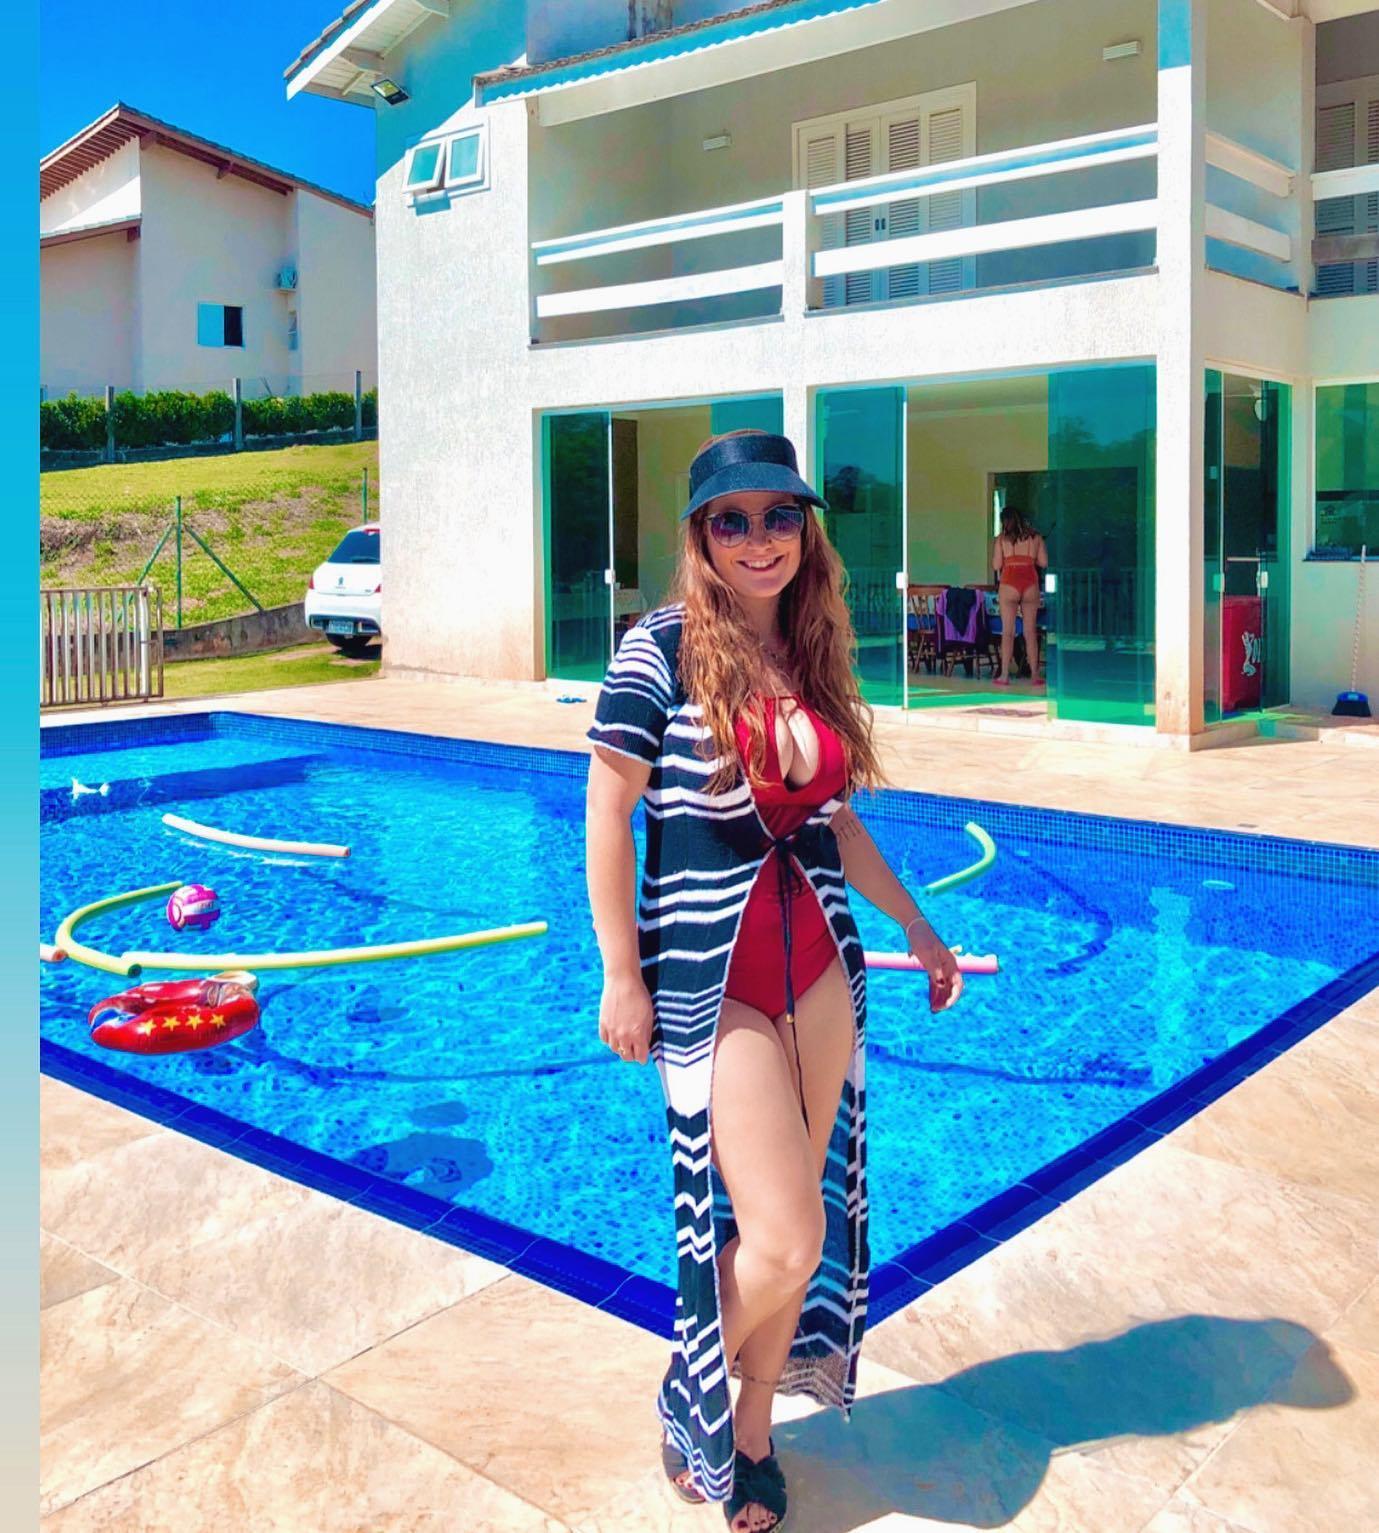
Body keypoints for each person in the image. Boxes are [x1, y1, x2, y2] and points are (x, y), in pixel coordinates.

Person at [584, 429, 963, 1532]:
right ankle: (688, 1380)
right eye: (733, 519)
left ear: (806, 530)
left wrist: (919, 930)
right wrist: (620, 971)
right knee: (784, 1231)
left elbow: (834, 824)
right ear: (701, 536)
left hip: (820, 966)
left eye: (779, 515)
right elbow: (606, 810)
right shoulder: (656, 649)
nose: (759, 538)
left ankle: (748, 1430)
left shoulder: (810, 647)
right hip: (715, 977)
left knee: (802, 1222)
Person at [991, 506, 1048, 686]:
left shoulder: (1001, 540)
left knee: (1008, 632)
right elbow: (1044, 562)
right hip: (1030, 582)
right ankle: (1035, 675)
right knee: (1030, 632)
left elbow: (996, 565)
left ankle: (1004, 675)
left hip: (1009, 583)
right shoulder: (1036, 537)